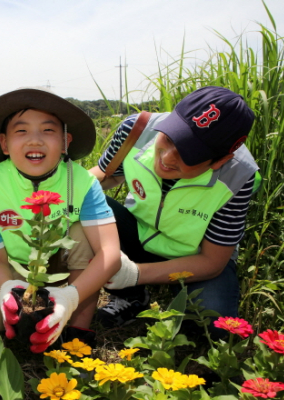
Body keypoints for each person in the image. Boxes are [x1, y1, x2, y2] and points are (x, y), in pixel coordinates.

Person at [89, 86, 260, 336]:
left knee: (212, 327)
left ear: (220, 161)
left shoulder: (239, 175)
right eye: (169, 138)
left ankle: (161, 291)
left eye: (188, 155)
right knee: (84, 202)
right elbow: (104, 176)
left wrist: (136, 273)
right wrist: (57, 194)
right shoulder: (136, 129)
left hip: (196, 257)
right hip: (137, 235)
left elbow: (212, 262)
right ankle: (131, 298)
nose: (167, 158)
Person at [0, 88, 122, 352]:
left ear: (65, 142)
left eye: (48, 130)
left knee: (83, 232)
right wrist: (7, 287)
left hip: (64, 268)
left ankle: (77, 329)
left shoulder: (83, 182)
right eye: (22, 131)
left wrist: (70, 297)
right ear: (4, 144)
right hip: (12, 266)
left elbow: (110, 253)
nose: (35, 141)